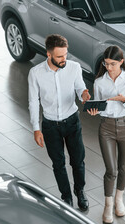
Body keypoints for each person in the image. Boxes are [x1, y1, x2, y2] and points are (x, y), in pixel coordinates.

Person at [28, 34, 91, 211]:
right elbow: (33, 101)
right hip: (50, 126)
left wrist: (84, 96)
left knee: (78, 161)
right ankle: (67, 198)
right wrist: (36, 128)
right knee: (58, 164)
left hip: (72, 121)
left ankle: (80, 191)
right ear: (49, 54)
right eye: (59, 56)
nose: (64, 59)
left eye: (65, 55)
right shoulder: (36, 74)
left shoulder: (74, 67)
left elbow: (80, 89)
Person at [87, 45, 125, 223]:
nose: (109, 67)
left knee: (123, 167)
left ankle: (119, 200)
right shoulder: (99, 82)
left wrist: (124, 100)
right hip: (107, 128)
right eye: (106, 63)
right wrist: (95, 111)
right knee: (111, 170)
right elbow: (100, 107)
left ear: (121, 62)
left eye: (113, 64)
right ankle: (108, 205)